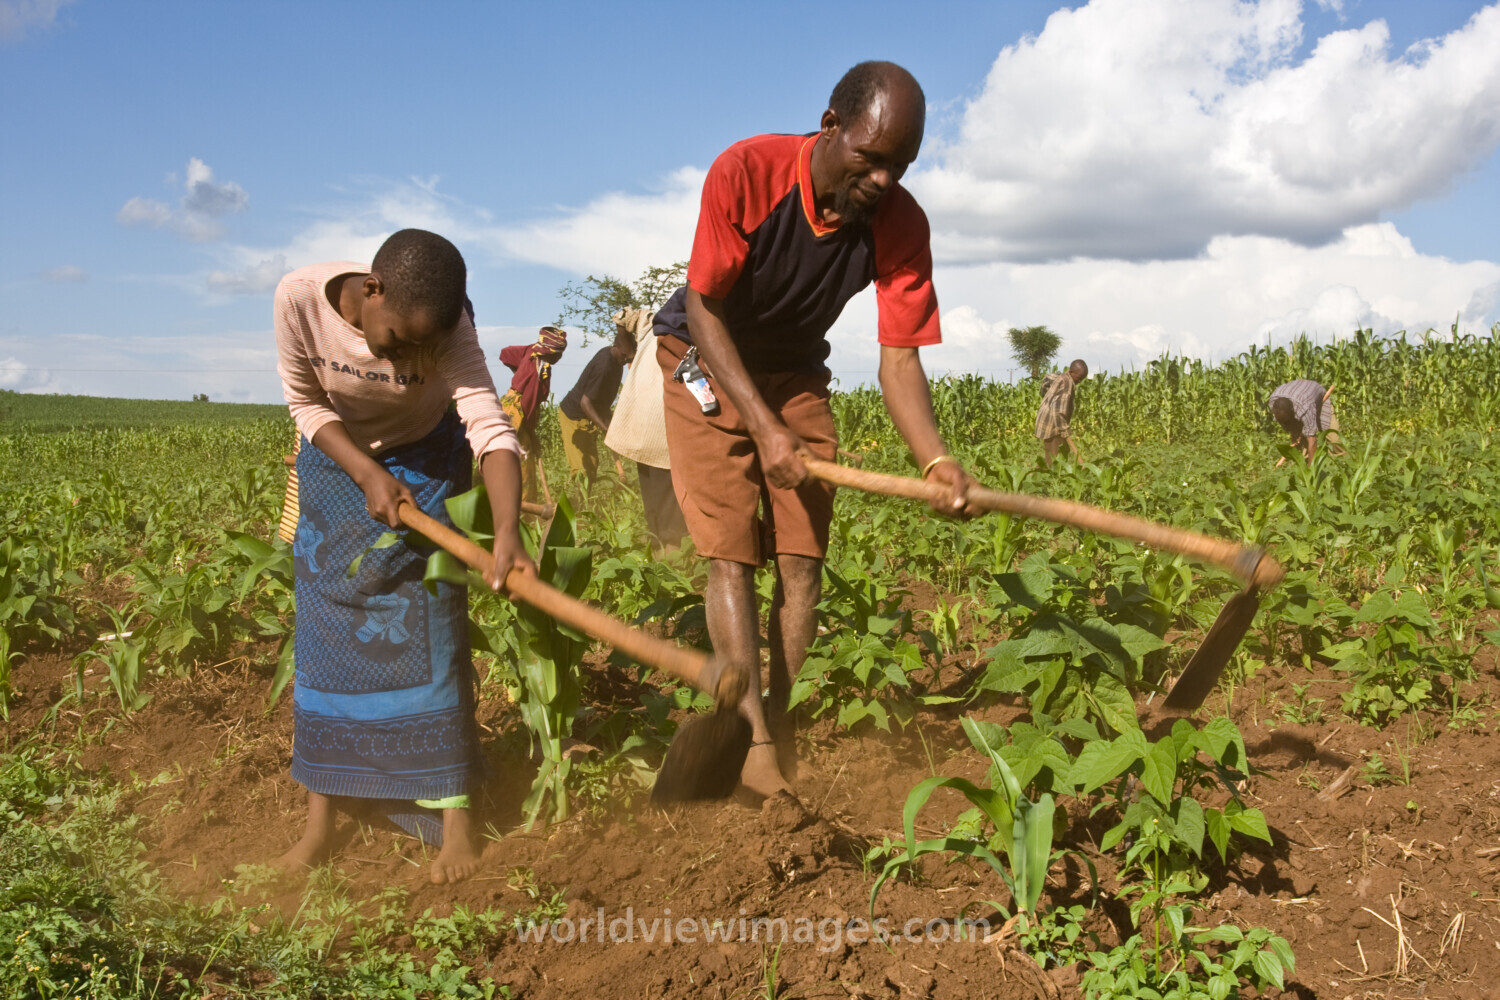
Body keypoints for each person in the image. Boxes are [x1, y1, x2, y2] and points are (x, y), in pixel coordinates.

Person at [653, 60, 976, 802]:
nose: (885, 179)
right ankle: (753, 745)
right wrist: (764, 430)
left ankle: (782, 717)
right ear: (831, 126)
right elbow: (705, 308)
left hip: (794, 371)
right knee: (733, 553)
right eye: (872, 157)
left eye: (902, 165)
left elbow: (899, 360)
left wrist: (937, 462)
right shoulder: (748, 170)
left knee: (801, 558)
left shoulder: (900, 223)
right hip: (705, 359)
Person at [272, 228, 534, 884]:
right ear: (371, 290)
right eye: (400, 339)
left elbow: (488, 426)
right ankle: (320, 820)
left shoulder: (450, 327)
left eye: (426, 346)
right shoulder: (299, 300)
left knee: (431, 627)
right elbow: (305, 402)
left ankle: (455, 823)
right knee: (325, 634)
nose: (409, 360)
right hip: (339, 459)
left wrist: (506, 536)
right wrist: (364, 472)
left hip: (427, 454)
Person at [604, 307, 688, 550]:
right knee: (671, 492)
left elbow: (625, 326)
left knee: (653, 490)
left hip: (646, 428)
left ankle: (659, 545)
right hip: (667, 427)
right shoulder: (692, 335)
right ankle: (671, 550)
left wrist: (627, 340)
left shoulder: (651, 329)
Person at [499, 325, 568, 499]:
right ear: (550, 352)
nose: (560, 357)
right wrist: (531, 435)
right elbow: (528, 406)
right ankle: (522, 512)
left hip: (508, 406)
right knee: (521, 463)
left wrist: (518, 372)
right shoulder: (537, 373)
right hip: (517, 414)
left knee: (502, 456)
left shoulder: (532, 353)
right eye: (558, 353)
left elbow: (505, 353)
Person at [557, 331, 634, 483]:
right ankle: (580, 504)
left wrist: (609, 421)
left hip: (589, 414)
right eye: (624, 355)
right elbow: (585, 403)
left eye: (628, 357)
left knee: (591, 465)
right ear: (616, 347)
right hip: (574, 416)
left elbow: (602, 397)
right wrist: (606, 429)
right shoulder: (604, 366)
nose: (625, 360)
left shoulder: (617, 361)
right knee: (581, 470)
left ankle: (588, 502)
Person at [1268, 379, 1343, 463]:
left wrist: (1310, 472)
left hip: (1319, 401)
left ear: (1292, 411)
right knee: (1300, 442)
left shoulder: (1305, 408)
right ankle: (1304, 463)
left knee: (1334, 439)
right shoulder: (1273, 403)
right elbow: (1286, 421)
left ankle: (1343, 462)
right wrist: (1295, 430)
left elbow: (1312, 440)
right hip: (1299, 398)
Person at [1035, 359, 1087, 467]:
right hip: (1052, 424)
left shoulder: (1063, 377)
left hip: (1052, 421)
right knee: (1054, 456)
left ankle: (1039, 472)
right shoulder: (1067, 384)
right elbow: (1058, 411)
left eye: (1082, 379)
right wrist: (1064, 429)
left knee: (1062, 450)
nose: (1080, 381)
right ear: (1072, 372)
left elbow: (1048, 381)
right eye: (1079, 377)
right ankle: (1043, 477)